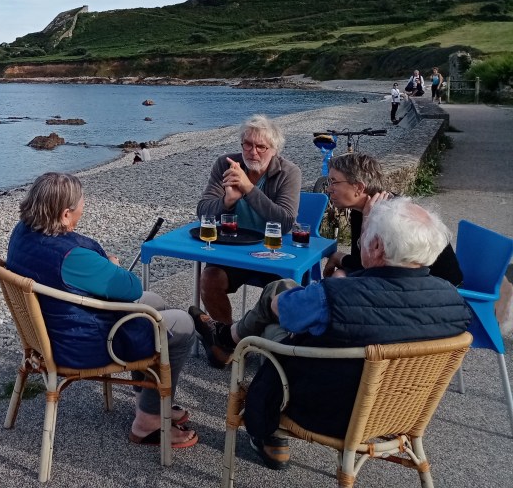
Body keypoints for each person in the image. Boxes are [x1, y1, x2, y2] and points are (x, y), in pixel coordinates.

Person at [190, 197, 470, 470]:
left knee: (275, 318)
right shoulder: (454, 302)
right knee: (287, 305)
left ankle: (259, 410)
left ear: (376, 247)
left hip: (323, 411)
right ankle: (226, 338)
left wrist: (328, 289)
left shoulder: (338, 296)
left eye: (364, 238)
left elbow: (283, 310)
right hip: (401, 413)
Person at [6, 172, 199, 447]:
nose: (84, 206)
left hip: (48, 333)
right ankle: (148, 421)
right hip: (81, 344)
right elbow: (131, 288)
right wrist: (111, 266)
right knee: (183, 325)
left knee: (154, 301)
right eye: (81, 202)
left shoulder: (22, 232)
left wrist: (100, 270)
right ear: (65, 215)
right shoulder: (72, 256)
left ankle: (147, 401)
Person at [195, 115, 301, 335]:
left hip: (273, 251)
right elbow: (203, 212)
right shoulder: (225, 165)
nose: (253, 152)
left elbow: (285, 222)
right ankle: (225, 336)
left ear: (274, 150)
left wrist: (248, 189)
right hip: (234, 248)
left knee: (282, 292)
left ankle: (249, 336)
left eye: (261, 147)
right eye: (248, 144)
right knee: (209, 279)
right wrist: (227, 201)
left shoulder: (289, 172)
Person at [321, 152, 462, 285]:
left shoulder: (391, 217)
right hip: (401, 280)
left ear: (359, 187)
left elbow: (369, 269)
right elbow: (362, 263)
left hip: (434, 286)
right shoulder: (362, 211)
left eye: (334, 182)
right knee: (339, 276)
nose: (329, 189)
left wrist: (338, 257)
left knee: (339, 279)